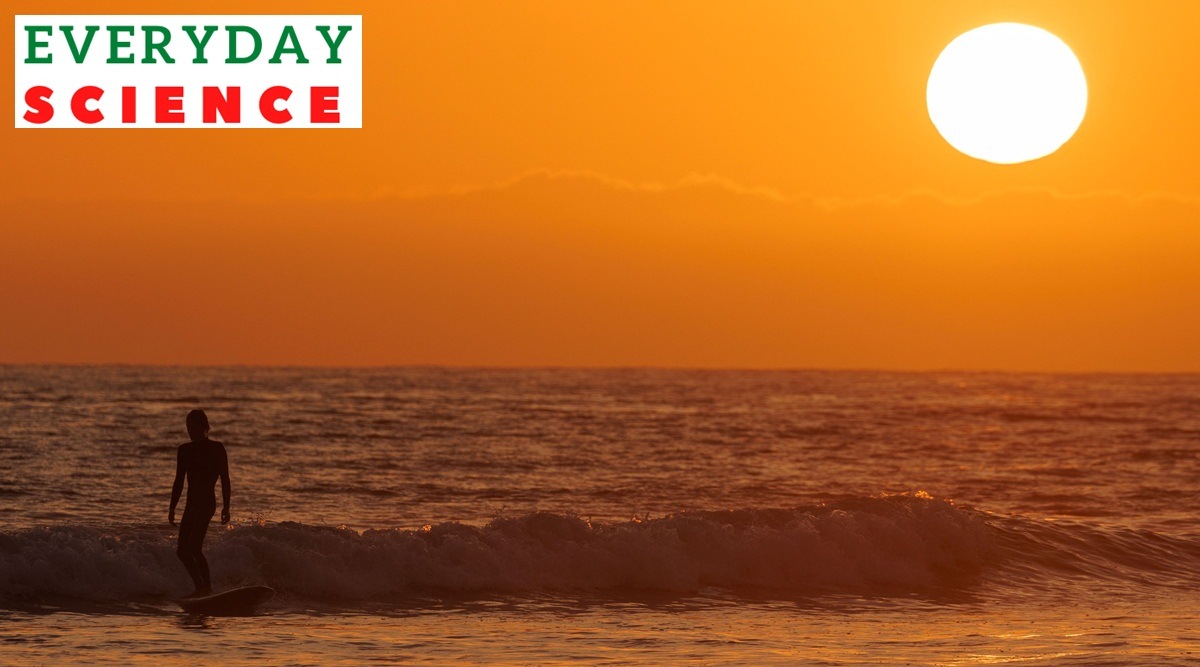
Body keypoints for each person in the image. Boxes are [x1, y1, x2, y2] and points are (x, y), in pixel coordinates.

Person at [168, 409, 231, 598]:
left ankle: (206, 589)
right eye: (188, 427)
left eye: (193, 427)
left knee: (194, 548)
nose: (190, 431)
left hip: (206, 504)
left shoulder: (217, 449)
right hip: (191, 505)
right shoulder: (184, 450)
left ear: (205, 428)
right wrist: (172, 507)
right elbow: (179, 480)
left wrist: (226, 506)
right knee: (182, 551)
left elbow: (225, 479)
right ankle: (201, 588)